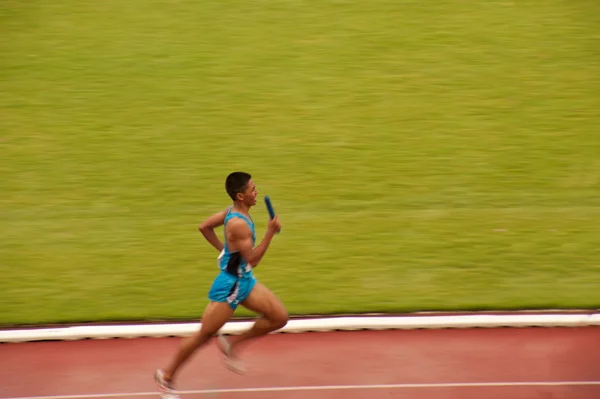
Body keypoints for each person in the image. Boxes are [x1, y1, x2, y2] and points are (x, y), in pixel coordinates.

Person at [154, 172, 288, 399]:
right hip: (230, 287)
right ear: (240, 195)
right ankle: (166, 376)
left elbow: (204, 227)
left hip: (244, 281)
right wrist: (270, 233)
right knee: (203, 336)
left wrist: (224, 250)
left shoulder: (232, 212)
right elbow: (253, 259)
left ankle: (232, 345)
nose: (256, 192)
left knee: (279, 317)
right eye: (252, 189)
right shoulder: (238, 224)